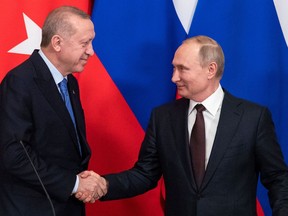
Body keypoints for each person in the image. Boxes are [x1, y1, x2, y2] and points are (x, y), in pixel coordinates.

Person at [82, 35, 288, 215]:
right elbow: (145, 174)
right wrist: (104, 184)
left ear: (211, 69)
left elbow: (278, 179)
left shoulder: (253, 117)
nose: (174, 77)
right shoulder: (163, 117)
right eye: (174, 68)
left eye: (182, 69)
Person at [0, 6, 107, 216]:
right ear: (57, 43)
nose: (91, 51)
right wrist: (74, 184)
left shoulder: (70, 83)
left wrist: (81, 182)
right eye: (84, 43)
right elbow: (15, 155)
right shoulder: (19, 82)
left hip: (65, 205)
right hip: (32, 208)